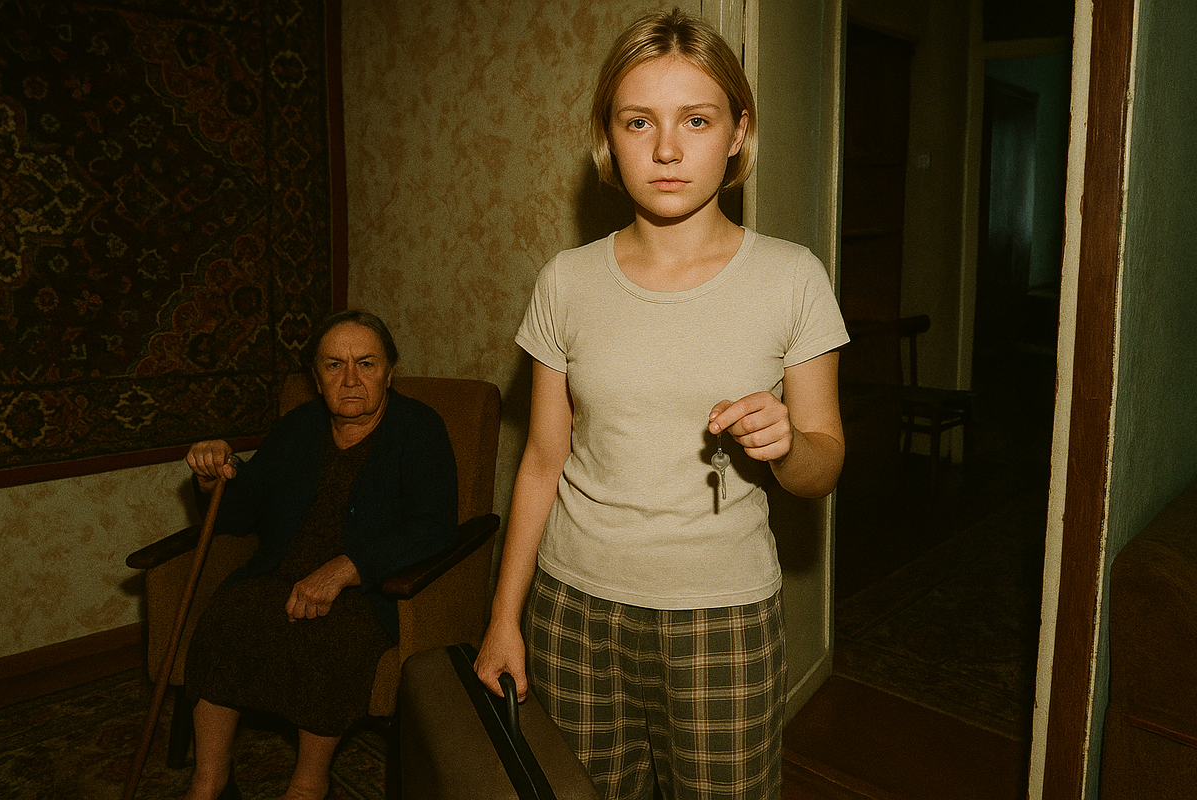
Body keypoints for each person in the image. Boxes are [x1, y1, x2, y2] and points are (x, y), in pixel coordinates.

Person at [474, 8, 849, 800]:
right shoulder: (566, 281)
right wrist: (504, 617)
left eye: (697, 120)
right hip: (572, 608)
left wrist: (787, 444)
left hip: (722, 618)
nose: (667, 149)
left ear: (738, 131)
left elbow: (822, 469)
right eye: (639, 121)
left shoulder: (793, 278)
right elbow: (541, 461)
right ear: (608, 138)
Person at [181, 309, 458, 800]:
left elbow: (433, 527)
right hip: (282, 572)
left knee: (328, 639)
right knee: (225, 616)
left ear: (389, 372)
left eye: (366, 364)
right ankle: (209, 783)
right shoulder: (297, 427)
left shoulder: (420, 429)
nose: (350, 379)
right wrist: (212, 479)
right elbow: (242, 511)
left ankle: (309, 784)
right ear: (316, 377)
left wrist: (349, 567)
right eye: (334, 365)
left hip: (372, 591)